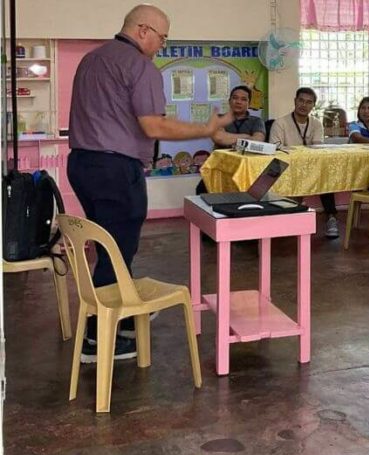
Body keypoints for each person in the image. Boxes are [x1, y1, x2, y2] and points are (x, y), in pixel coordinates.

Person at [67, 4, 233, 363]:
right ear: (143, 30)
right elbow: (154, 126)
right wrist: (207, 128)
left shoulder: (92, 60)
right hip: (114, 169)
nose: (163, 45)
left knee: (109, 245)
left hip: (81, 164)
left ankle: (121, 315)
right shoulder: (139, 65)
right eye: (163, 37)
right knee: (117, 250)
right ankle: (97, 340)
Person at [268, 87, 339, 239]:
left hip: (309, 166)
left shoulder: (316, 124)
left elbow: (317, 149)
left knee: (324, 173)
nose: (304, 105)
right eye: (301, 100)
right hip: (285, 166)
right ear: (295, 101)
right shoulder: (280, 123)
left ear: (313, 106)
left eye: (309, 102)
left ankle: (331, 218)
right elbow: (275, 149)